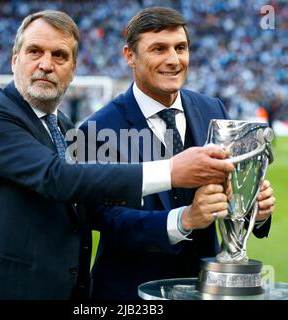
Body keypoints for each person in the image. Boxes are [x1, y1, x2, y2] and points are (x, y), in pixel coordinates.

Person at [0, 10, 234, 300]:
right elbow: (57, 179)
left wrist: (244, 201)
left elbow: (88, 206)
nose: (46, 65)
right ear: (14, 60)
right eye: (35, 51)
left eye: (59, 56)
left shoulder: (62, 128)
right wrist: (171, 176)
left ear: (73, 70)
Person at [79, 7, 275, 300]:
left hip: (206, 290)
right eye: (158, 49)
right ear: (129, 56)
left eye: (180, 48)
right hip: (130, 295)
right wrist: (185, 219)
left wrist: (255, 211)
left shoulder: (213, 109)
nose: (173, 60)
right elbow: (105, 218)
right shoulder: (97, 129)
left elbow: (230, 190)